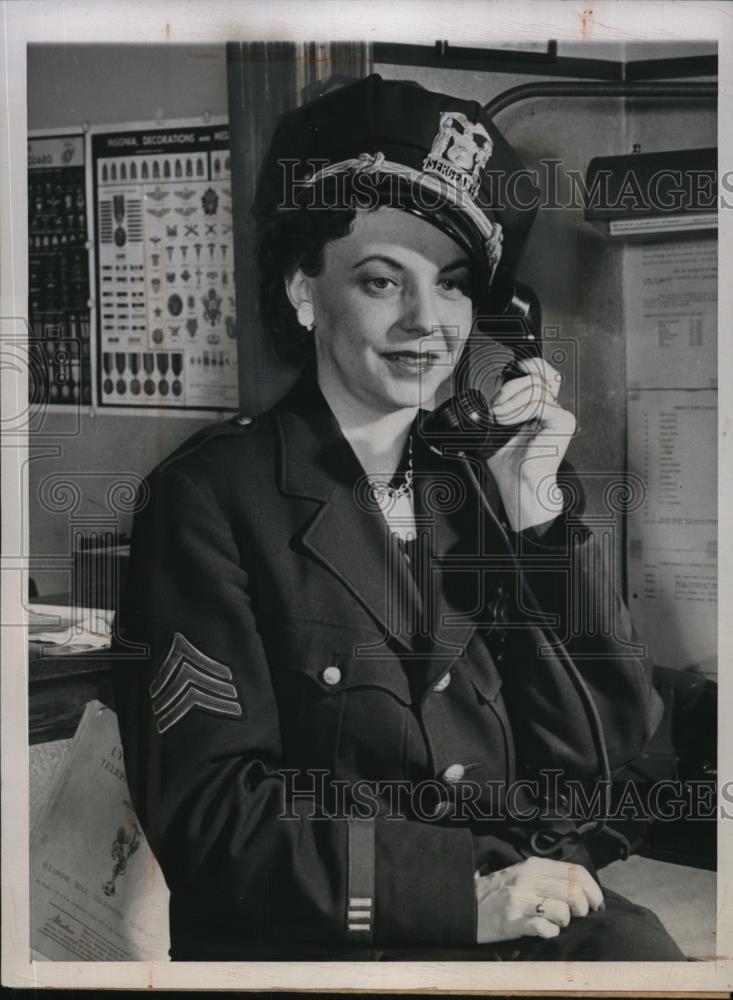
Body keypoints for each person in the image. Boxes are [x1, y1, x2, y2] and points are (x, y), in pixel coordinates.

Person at [112, 74, 683, 961]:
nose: (428, 322)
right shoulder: (208, 500)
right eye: (382, 280)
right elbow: (211, 813)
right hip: (328, 939)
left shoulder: (483, 475)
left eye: (452, 285)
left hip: (521, 910)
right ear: (305, 291)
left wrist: (536, 525)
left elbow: (601, 766)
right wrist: (459, 897)